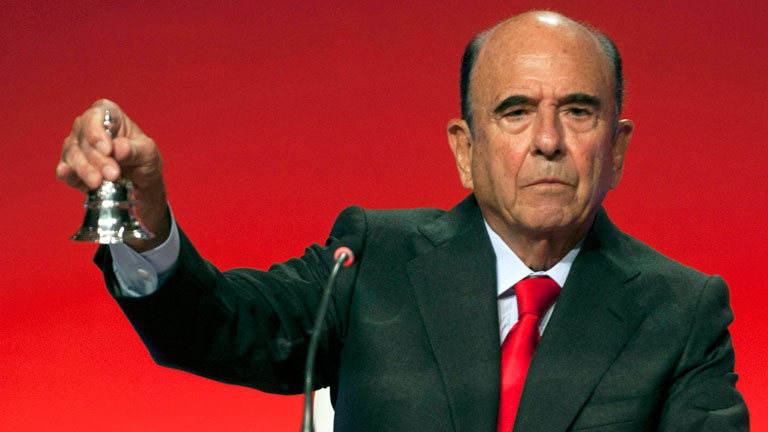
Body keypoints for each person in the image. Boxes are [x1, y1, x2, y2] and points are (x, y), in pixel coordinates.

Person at [56, 10, 749, 432]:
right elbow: (215, 326)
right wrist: (141, 219)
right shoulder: (372, 261)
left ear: (616, 149)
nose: (547, 140)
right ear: (465, 150)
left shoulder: (682, 312)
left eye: (577, 111)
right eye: (515, 112)